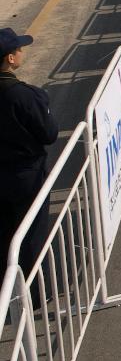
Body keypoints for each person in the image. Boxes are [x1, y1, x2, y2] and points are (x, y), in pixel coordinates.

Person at [0, 28, 59, 276]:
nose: (22, 52)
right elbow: (49, 133)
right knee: (31, 235)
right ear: (10, 58)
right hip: (26, 176)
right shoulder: (23, 96)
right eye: (19, 49)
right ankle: (34, 295)